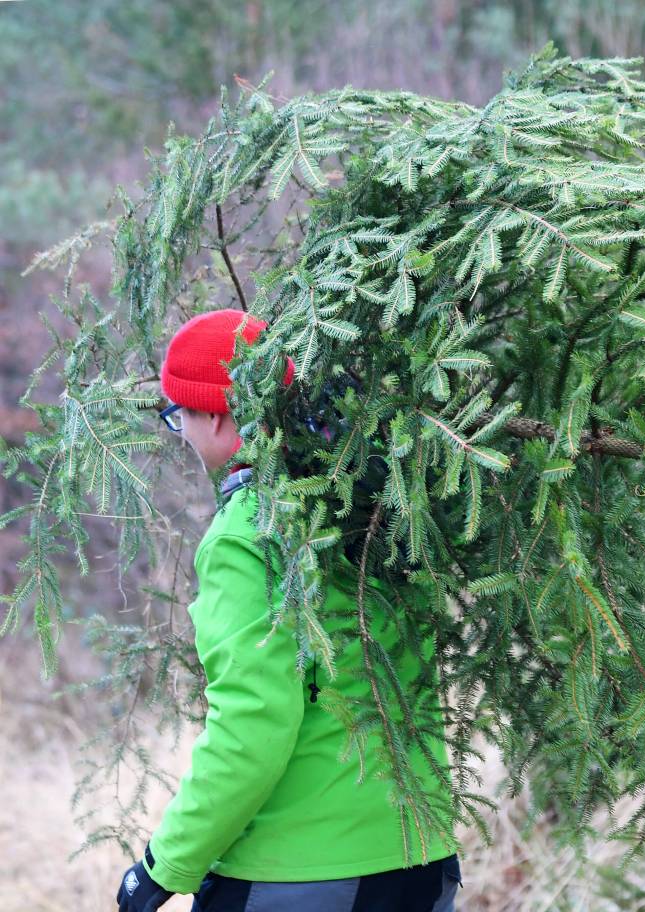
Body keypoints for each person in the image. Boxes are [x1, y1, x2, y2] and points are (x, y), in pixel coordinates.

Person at [115, 309, 462, 912]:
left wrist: (163, 866)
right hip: (420, 858)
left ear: (218, 415)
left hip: (297, 875)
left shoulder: (249, 533)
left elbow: (254, 724)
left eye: (181, 419)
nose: (186, 439)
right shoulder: (376, 496)